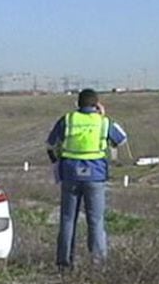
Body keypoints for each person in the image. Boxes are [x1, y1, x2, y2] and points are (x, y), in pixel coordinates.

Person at [46, 89, 128, 271]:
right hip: (95, 176)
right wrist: (104, 115)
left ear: (78, 104)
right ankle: (97, 265)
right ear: (96, 104)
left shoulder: (68, 120)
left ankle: (64, 263)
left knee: (67, 219)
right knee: (96, 221)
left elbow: (50, 144)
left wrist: (57, 163)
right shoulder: (103, 122)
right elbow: (122, 138)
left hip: (70, 174)